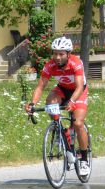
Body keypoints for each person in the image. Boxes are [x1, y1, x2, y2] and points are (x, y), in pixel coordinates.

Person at [27, 36, 91, 175]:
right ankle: (60, 130)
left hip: (78, 91)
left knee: (78, 123)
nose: (57, 57)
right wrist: (32, 104)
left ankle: (84, 159)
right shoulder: (49, 65)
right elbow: (40, 87)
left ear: (68, 54)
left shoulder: (76, 63)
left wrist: (73, 101)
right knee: (50, 102)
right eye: (55, 53)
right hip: (62, 89)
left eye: (61, 54)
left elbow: (79, 86)